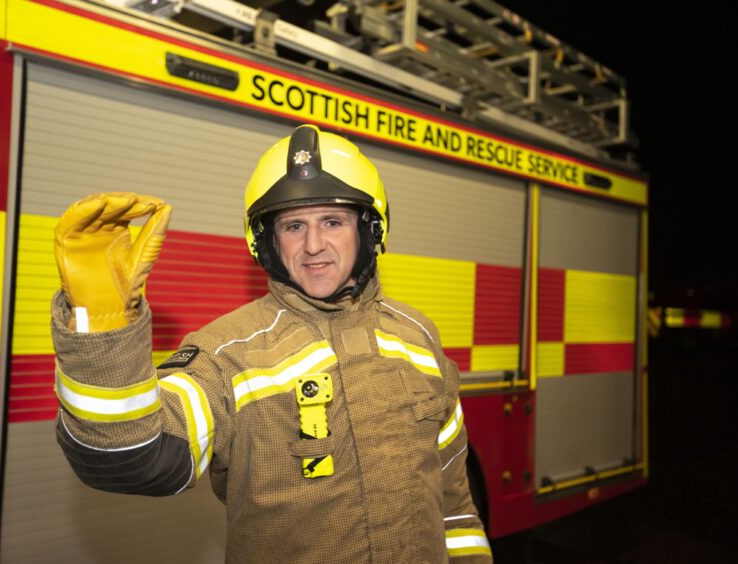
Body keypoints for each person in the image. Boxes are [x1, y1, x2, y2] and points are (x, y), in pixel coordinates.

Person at [52, 124, 491, 563]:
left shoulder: (418, 335)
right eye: (293, 226)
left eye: (332, 222)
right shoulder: (228, 354)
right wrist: (102, 327)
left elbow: (453, 499)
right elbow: (137, 458)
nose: (313, 245)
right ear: (267, 242)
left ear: (370, 229)